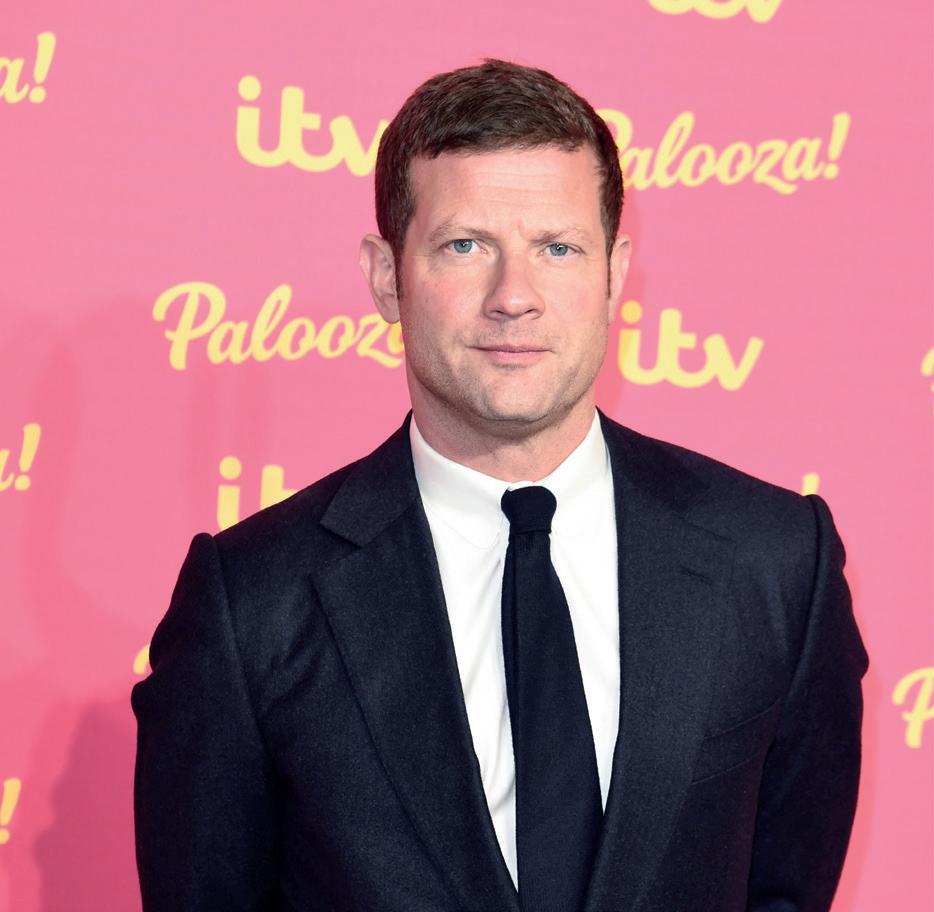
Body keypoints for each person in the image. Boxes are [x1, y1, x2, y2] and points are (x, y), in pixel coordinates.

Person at [132, 59, 869, 912]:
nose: (513, 296)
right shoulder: (252, 602)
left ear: (614, 273)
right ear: (386, 277)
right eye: (465, 246)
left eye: (558, 248)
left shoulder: (775, 563)